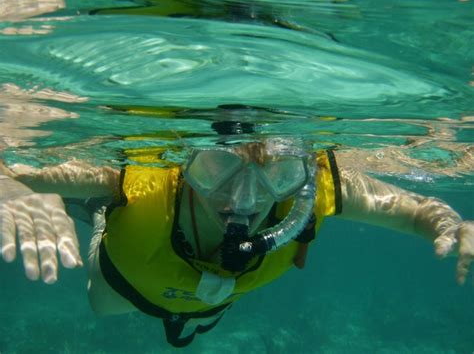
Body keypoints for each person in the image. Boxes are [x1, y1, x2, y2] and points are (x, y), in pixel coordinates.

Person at [0, 134, 473, 347]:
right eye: (217, 167)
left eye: (278, 174)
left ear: (300, 175)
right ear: (185, 163)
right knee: (99, 306)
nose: (241, 198)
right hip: (121, 285)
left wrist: (447, 222)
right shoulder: (144, 177)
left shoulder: (314, 196)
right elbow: (10, 166)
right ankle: (98, 212)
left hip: (208, 303)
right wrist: (19, 189)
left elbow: (414, 212)